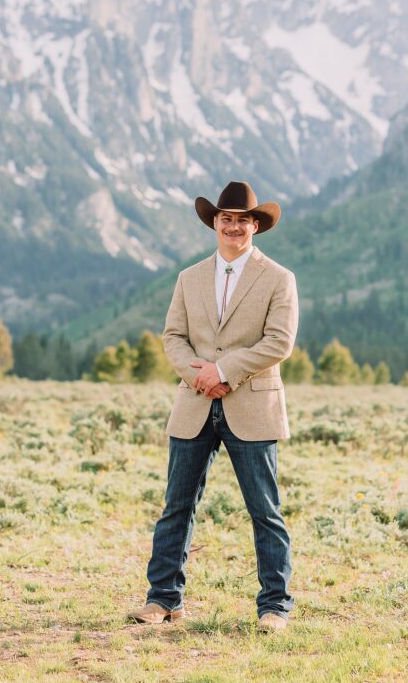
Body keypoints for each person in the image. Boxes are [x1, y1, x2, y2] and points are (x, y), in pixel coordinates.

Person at [128, 180, 299, 631]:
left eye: (243, 220)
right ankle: (164, 599)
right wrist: (199, 374)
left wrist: (222, 371)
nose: (234, 227)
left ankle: (274, 606)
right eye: (227, 219)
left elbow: (279, 342)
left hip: (252, 406)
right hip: (195, 404)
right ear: (215, 223)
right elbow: (173, 337)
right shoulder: (189, 278)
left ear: (256, 226)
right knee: (176, 507)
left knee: (265, 510)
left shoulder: (280, 279)